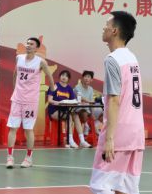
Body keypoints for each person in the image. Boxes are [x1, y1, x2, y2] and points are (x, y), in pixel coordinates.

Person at [83, 11, 144, 194]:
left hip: (119, 131)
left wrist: (109, 138)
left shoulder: (112, 59)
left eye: (107, 24)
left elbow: (115, 101)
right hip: (135, 131)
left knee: (98, 186)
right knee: (122, 190)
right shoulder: (131, 57)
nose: (104, 27)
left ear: (115, 31)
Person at [6, 37, 55, 169]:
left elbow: (50, 77)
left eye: (31, 44)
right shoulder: (19, 58)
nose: (28, 45)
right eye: (27, 43)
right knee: (13, 128)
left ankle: (28, 158)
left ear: (36, 48)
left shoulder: (41, 62)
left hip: (30, 101)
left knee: (28, 129)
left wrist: (52, 89)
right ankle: (9, 157)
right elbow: (15, 74)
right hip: (17, 99)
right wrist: (15, 90)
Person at [46, 70, 90, 148]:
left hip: (65, 110)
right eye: (63, 75)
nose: (64, 77)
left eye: (66, 76)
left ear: (68, 79)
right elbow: (49, 100)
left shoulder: (69, 88)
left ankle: (82, 141)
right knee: (68, 116)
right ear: (60, 76)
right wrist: (59, 103)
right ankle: (70, 141)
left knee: (75, 115)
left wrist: (79, 102)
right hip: (54, 110)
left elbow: (73, 101)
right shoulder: (55, 86)